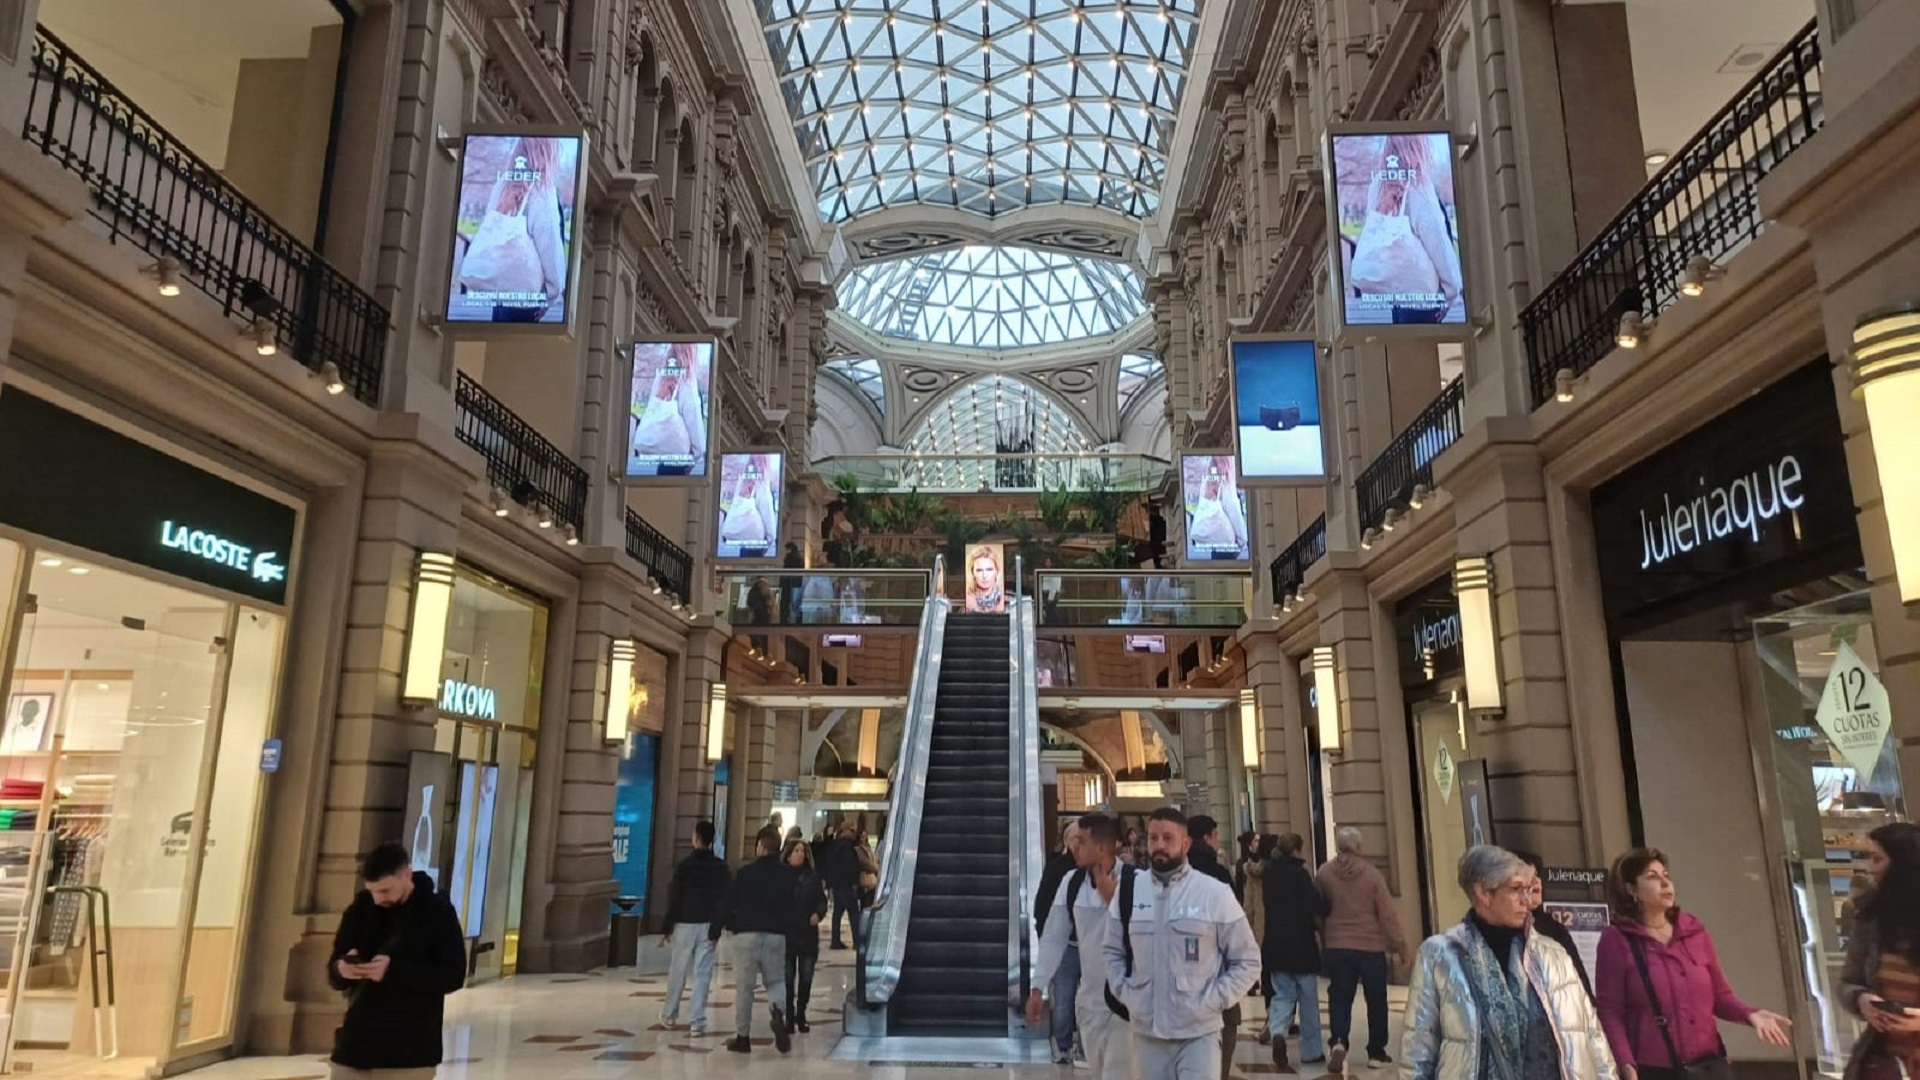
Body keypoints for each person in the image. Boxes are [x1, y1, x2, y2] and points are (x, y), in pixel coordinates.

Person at [1401, 846, 1616, 1080]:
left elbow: (1592, 1036)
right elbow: (1418, 1049)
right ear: (1484, 893)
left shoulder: (1553, 953)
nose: (1526, 900)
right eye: (1515, 889)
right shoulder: (1440, 955)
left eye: (1527, 889)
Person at [1594, 848, 1791, 1079]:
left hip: (1709, 1066)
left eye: (1665, 874)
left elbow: (1721, 997)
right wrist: (1626, 1065)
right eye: (1652, 876)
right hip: (1655, 1070)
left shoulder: (1693, 931)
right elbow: (1610, 1013)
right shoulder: (1616, 939)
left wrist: (1751, 1015)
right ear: (1631, 889)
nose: (1665, 882)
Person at [1105, 807, 1262, 1080]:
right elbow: (1111, 951)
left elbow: (1247, 960)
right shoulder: (1129, 892)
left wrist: (1215, 1000)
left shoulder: (1214, 893)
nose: (1160, 845)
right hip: (1148, 1032)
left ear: (1185, 843)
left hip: (1199, 1034)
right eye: (1154, 838)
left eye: (1168, 838)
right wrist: (1128, 994)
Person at [325, 842, 467, 1079]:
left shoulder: (436, 912)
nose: (379, 899)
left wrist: (392, 971)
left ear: (407, 875)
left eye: (386, 890)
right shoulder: (360, 909)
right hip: (355, 1045)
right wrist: (342, 969)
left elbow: (453, 976)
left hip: (409, 1052)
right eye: (373, 891)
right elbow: (334, 967)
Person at [1029, 813, 1138, 1080]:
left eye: (1081, 840)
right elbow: (1054, 935)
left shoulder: (1137, 882)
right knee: (1099, 1071)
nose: (1074, 846)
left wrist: (1114, 900)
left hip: (1126, 1006)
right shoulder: (1071, 882)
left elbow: (1152, 937)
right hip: (1089, 1005)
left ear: (1100, 846)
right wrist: (1037, 987)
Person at [1317, 826, 1410, 1072]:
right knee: (1376, 999)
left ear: (1338, 846)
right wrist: (1402, 947)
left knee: (1339, 996)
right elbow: (1388, 915)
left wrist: (1325, 939)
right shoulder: (1372, 876)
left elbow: (1319, 911)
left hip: (1337, 944)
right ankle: (1376, 1052)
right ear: (1359, 847)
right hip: (1370, 946)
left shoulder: (1324, 873)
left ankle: (1338, 1040)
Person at [1841, 822, 1920, 1080]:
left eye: (1877, 859)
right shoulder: (1871, 917)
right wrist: (1862, 1000)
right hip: (1884, 1063)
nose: (1869, 868)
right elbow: (1848, 982)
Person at [710, 825, 796, 1055]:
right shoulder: (788, 875)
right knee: (776, 982)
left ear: (760, 846)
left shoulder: (745, 873)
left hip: (746, 934)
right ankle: (777, 1011)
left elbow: (728, 902)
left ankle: (743, 1038)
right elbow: (793, 908)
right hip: (776, 934)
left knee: (744, 989)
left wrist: (715, 930)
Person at [1264, 833, 1331, 1072]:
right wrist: (1325, 906)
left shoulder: (1269, 873)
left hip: (1275, 944)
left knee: (1281, 994)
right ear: (1296, 850)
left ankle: (1278, 1032)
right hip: (1301, 944)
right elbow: (1312, 904)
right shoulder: (1299, 874)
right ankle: (1311, 1052)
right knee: (1308, 999)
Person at [659, 820, 730, 1034]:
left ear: (696, 839)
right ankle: (697, 1020)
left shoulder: (684, 867)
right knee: (703, 973)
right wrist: (718, 927)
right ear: (712, 841)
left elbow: (675, 898)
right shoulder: (720, 868)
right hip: (708, 924)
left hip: (684, 923)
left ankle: (669, 1014)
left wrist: (667, 927)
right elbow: (725, 899)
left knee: (678, 971)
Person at [1187, 815, 1244, 1080]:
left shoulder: (1177, 872)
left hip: (1184, 970)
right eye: (1216, 835)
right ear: (1208, 837)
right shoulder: (1218, 874)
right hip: (1217, 965)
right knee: (1227, 1023)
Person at [1035, 820, 1086, 1065]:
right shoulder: (1057, 869)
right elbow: (1043, 904)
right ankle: (1062, 1045)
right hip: (1065, 945)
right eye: (1077, 839)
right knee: (1063, 998)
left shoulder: (1094, 868)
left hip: (1089, 945)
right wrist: (1045, 935)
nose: (1081, 844)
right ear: (1067, 841)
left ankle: (1085, 1046)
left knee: (1090, 999)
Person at [1514, 851, 1590, 995]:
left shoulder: (1554, 930)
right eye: (1528, 876)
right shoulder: (1505, 929)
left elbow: (1581, 983)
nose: (1536, 881)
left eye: (1537, 875)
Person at [782, 838, 828, 1033]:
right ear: (789, 853)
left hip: (807, 935)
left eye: (803, 851)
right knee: (787, 978)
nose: (800, 854)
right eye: (796, 850)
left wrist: (818, 913)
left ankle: (801, 1013)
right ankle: (789, 1016)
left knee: (806, 977)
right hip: (787, 934)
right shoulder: (781, 876)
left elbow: (822, 901)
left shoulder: (813, 877)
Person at [823, 821, 860, 949]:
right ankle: (857, 940)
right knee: (854, 913)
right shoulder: (847, 847)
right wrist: (854, 881)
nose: (855, 834)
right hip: (846, 885)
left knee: (837, 913)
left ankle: (835, 940)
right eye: (853, 831)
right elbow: (850, 866)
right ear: (847, 831)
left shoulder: (835, 846)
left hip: (837, 884)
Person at [967, 546, 1005, 613]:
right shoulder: (967, 599)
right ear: (973, 573)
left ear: (997, 571)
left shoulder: (1006, 598)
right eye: (979, 570)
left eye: (989, 569)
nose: (984, 576)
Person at [781, 542, 804, 623]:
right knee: (796, 604)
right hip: (798, 583)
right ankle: (798, 621)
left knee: (787, 603)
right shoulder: (800, 557)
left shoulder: (789, 556)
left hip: (789, 583)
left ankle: (786, 621)